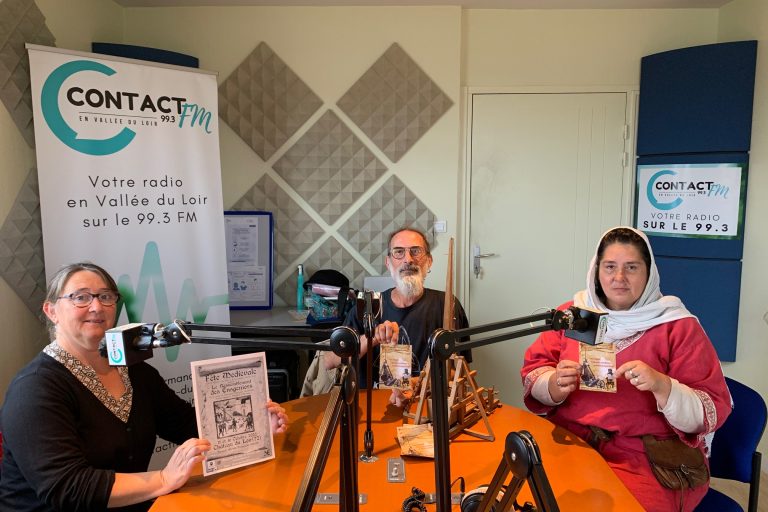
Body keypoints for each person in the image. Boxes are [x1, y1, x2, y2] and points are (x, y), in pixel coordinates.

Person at [0, 262, 289, 512]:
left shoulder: (135, 371)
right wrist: (164, 479)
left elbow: (185, 424)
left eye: (105, 296)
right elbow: (69, 488)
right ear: (51, 310)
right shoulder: (34, 389)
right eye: (81, 297)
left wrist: (255, 425)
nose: (96, 307)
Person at [520, 227, 731, 511]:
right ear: (597, 271)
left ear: (649, 273)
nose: (619, 277)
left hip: (644, 457)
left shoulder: (677, 326)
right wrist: (553, 384)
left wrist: (663, 386)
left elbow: (712, 407)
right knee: (527, 498)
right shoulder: (573, 315)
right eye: (610, 267)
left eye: (631, 267)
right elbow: (534, 370)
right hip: (572, 442)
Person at [323, 227, 469, 406]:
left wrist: (414, 384)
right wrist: (372, 337)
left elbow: (459, 370)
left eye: (416, 251)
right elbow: (330, 361)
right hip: (369, 408)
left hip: (425, 407)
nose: (408, 259)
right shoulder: (368, 307)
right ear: (388, 262)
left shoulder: (447, 305)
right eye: (399, 252)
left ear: (429, 261)